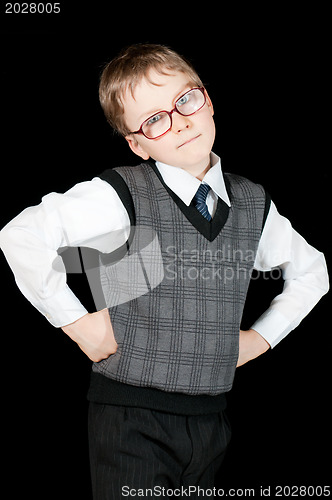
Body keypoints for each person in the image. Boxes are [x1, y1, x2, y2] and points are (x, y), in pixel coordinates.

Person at [0, 44, 329, 499]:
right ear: (137, 143)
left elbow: (313, 272)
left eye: (186, 100)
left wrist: (260, 338)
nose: (179, 121)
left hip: (211, 419)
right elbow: (23, 235)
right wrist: (77, 324)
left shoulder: (253, 203)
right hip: (132, 415)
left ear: (207, 100)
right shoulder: (122, 193)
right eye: (155, 119)